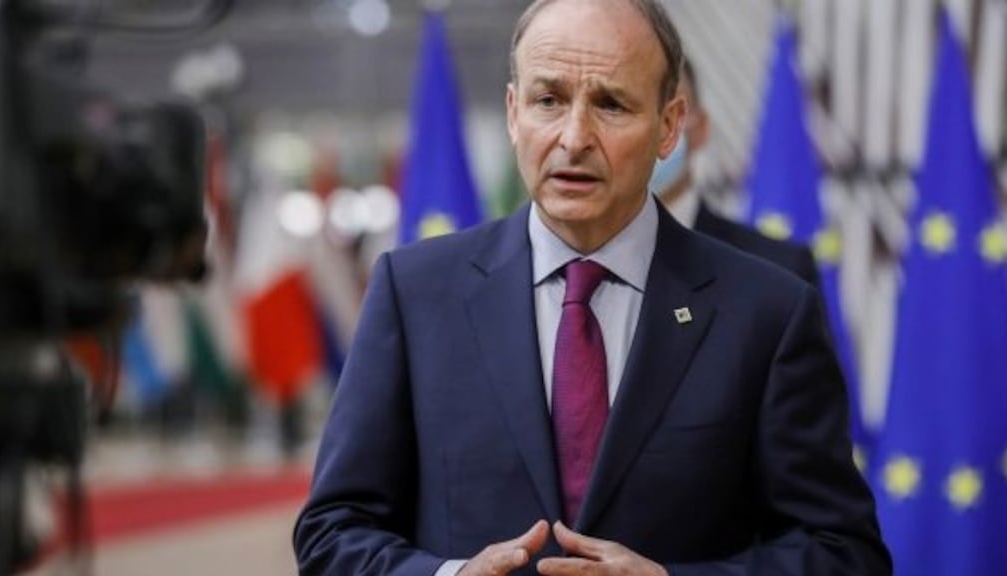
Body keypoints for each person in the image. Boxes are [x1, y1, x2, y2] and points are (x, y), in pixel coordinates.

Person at [293, 1, 890, 574]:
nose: (574, 137)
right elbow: (333, 531)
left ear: (670, 127)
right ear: (512, 113)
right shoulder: (414, 293)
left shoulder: (767, 311)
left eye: (610, 105)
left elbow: (844, 551)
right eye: (548, 99)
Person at [650, 59, 820, 286]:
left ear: (700, 129)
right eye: (622, 108)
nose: (646, 129)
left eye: (668, 113)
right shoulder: (588, 268)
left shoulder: (779, 272)